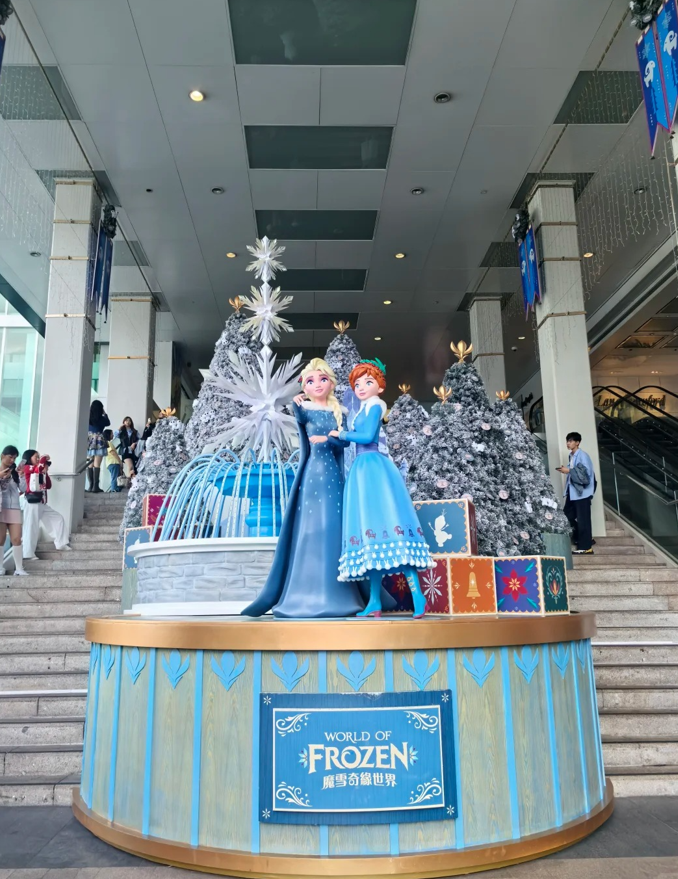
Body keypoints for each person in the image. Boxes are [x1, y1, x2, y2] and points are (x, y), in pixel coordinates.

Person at [242, 359, 364, 619]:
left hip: (333, 475)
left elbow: (344, 444)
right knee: (311, 527)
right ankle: (305, 590)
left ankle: (339, 592)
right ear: (305, 387)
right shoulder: (304, 408)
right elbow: (298, 421)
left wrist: (329, 437)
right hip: (312, 475)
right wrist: (295, 403)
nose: (317, 384)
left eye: (322, 379)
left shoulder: (340, 411)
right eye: (310, 381)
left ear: (331, 383)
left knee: (333, 526)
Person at [330, 359, 434, 619]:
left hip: (373, 468)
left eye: (368, 382)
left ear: (380, 386)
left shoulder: (375, 406)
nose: (361, 387)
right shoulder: (363, 408)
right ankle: (374, 601)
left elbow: (367, 437)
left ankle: (418, 597)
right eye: (357, 384)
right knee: (370, 534)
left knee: (391, 528)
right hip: (362, 469)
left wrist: (342, 434)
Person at [21, 451, 71, 559]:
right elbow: (36, 469)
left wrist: (45, 472)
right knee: (31, 527)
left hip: (41, 502)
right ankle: (28, 554)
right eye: (36, 457)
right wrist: (43, 458)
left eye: (39, 457)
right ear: (29, 457)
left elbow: (48, 485)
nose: (38, 459)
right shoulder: (27, 467)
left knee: (58, 519)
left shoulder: (38, 469)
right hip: (32, 502)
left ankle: (61, 543)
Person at [557, 431, 596, 555]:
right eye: (567, 441)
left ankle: (586, 547)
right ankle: (584, 537)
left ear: (577, 442)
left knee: (583, 519)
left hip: (582, 493)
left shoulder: (583, 455)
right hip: (573, 492)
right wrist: (567, 470)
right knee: (566, 517)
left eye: (571, 441)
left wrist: (568, 470)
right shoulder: (572, 456)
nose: (568, 443)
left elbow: (587, 474)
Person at [0, 445, 28, 576]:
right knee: (0, 539)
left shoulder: (15, 472)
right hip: (1, 508)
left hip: (15, 507)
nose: (12, 460)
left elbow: (23, 489)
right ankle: (0, 568)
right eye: (10, 457)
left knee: (17, 539)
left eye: (15, 458)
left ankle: (19, 568)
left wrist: (22, 476)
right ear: (2, 456)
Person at [87, 400, 110, 493]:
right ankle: (95, 486)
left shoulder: (88, 417)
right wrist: (105, 413)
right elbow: (108, 423)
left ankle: (90, 485)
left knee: (90, 463)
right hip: (99, 440)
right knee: (97, 463)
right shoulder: (102, 419)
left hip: (89, 440)